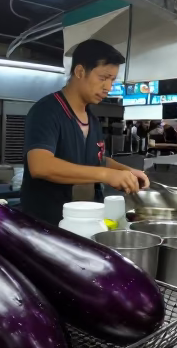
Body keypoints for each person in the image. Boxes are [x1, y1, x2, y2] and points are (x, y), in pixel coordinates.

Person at [20, 39, 150, 225]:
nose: (108, 88)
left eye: (112, 80)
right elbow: (40, 166)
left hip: (86, 223)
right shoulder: (47, 111)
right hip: (48, 226)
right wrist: (106, 175)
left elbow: (98, 158)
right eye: (103, 78)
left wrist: (127, 171)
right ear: (80, 72)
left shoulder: (93, 120)